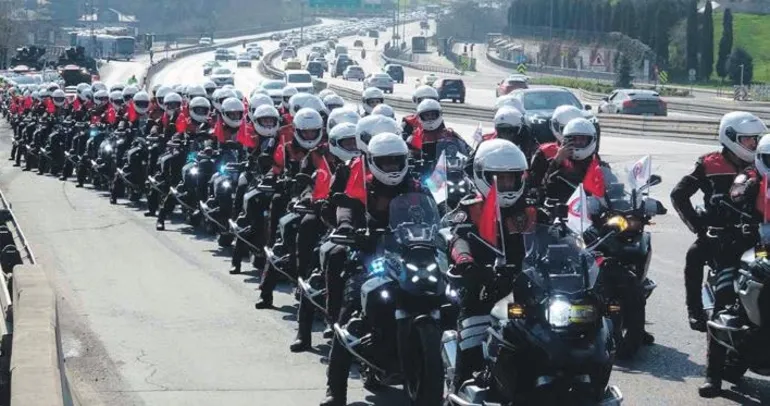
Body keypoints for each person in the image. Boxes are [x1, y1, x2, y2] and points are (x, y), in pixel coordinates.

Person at [320, 132, 423, 406]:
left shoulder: (415, 186)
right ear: (374, 162)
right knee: (348, 320)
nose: (392, 167)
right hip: (370, 258)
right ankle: (335, 390)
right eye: (385, 162)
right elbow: (346, 209)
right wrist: (347, 227)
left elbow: (435, 213)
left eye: (396, 161)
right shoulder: (363, 186)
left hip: (409, 258)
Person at [447, 138, 535, 392]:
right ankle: (457, 391)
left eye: (511, 178)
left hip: (529, 290)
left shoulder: (531, 210)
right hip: (484, 288)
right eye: (499, 179)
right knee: (472, 343)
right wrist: (466, 262)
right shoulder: (471, 209)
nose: (506, 184)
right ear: (483, 176)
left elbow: (558, 236)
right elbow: (458, 237)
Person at [671, 111, 765, 332]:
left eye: (756, 139)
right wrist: (698, 226)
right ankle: (694, 310)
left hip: (756, 231)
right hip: (720, 233)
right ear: (730, 137)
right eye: (748, 139)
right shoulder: (709, 163)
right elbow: (678, 194)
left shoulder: (762, 164)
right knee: (694, 256)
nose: (753, 144)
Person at [698, 133, 769, 398]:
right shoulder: (748, 177)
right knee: (725, 302)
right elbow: (734, 196)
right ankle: (712, 377)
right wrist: (736, 202)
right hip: (742, 247)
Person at [289, 121, 360, 352]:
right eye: (348, 142)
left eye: (356, 142)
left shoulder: (388, 168)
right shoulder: (338, 167)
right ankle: (313, 327)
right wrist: (318, 204)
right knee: (328, 256)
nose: (354, 146)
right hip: (340, 228)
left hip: (382, 234)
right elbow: (334, 201)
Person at [252, 108, 325, 301]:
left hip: (320, 203)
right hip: (291, 197)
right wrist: (272, 179)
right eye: (306, 132)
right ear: (298, 131)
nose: (310, 136)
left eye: (313, 132)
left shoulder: (325, 153)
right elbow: (276, 168)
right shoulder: (287, 148)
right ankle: (266, 291)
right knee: (280, 232)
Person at [528, 104, 585, 190]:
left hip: (586, 200)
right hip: (555, 199)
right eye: (565, 129)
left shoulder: (590, 152)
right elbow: (535, 185)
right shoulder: (545, 152)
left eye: (578, 134)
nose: (573, 137)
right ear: (555, 126)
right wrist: (557, 161)